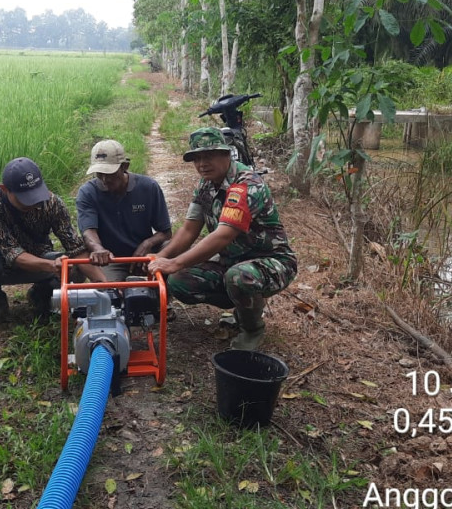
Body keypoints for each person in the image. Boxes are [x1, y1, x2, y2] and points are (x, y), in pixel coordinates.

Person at [148, 127, 297, 350]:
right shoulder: (205, 184)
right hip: (232, 259)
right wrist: (159, 258)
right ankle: (243, 305)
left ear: (226, 154)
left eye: (208, 156)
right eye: (196, 158)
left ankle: (252, 328)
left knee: (239, 277)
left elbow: (223, 235)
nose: (202, 164)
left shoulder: (246, 184)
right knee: (179, 281)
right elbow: (189, 229)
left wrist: (174, 262)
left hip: (271, 261)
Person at [0, 157, 106, 323]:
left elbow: (76, 249)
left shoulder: (53, 204)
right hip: (1, 262)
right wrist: (51, 266)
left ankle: (42, 294)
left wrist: (104, 284)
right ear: (5, 189)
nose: (33, 203)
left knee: (76, 267)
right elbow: (12, 253)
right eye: (24, 198)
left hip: (40, 258)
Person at [76, 139, 172, 281]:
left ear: (124, 166)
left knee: (174, 248)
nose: (104, 179)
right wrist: (98, 249)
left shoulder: (148, 187)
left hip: (146, 255)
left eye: (109, 173)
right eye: (99, 173)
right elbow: (89, 231)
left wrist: (147, 244)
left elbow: (165, 232)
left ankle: (163, 290)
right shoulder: (88, 192)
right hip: (111, 259)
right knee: (109, 292)